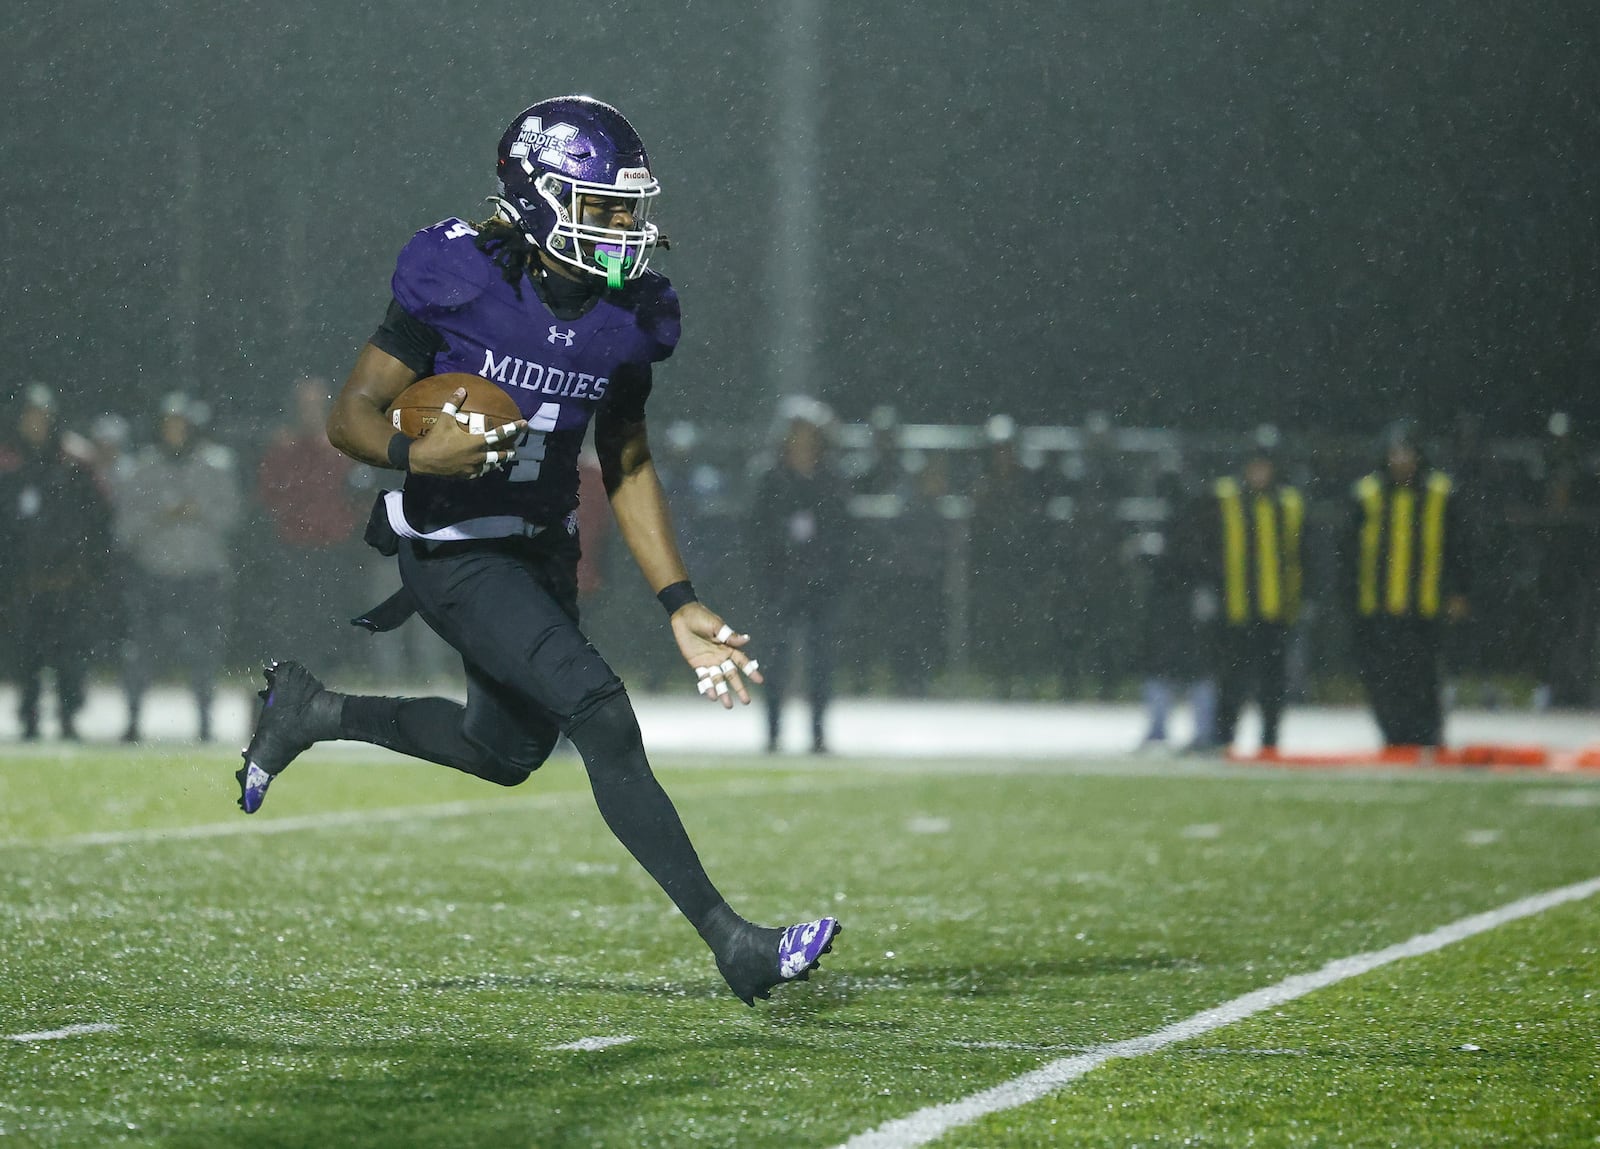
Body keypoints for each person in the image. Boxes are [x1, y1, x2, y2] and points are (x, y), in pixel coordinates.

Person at [233, 95, 838, 1005]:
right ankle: (735, 942)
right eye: (603, 206)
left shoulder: (628, 312)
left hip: (541, 550)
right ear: (538, 197)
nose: (625, 227)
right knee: (600, 711)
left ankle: (312, 711)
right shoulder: (459, 275)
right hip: (452, 547)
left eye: (629, 207)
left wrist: (681, 601)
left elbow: (625, 455)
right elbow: (349, 412)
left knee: (506, 749)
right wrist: (413, 450)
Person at [119, 392, 243, 742]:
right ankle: (132, 719)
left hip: (201, 573)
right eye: (169, 425)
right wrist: (161, 515)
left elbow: (233, 516)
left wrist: (199, 510)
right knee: (141, 650)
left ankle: (204, 721)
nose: (175, 431)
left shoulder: (216, 466)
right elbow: (124, 525)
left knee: (204, 652)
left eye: (181, 425)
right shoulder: (143, 468)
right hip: (154, 572)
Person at [1343, 420, 1470, 748]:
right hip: (1378, 607)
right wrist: (1349, 601)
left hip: (1425, 606)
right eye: (1395, 453)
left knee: (1424, 676)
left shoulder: (1441, 492)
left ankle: (1427, 734)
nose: (1401, 461)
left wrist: (1459, 591)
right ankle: (1394, 736)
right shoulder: (1367, 494)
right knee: (1382, 678)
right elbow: (1348, 554)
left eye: (1406, 453)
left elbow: (1460, 547)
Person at [0, 384, 113, 740]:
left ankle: (68, 713)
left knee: (70, 653)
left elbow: (96, 516)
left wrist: (87, 563)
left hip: (68, 577)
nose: (36, 424)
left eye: (42, 417)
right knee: (27, 653)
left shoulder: (75, 461)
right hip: (25, 578)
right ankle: (29, 715)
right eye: (30, 417)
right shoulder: (9, 461)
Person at [747, 400, 850, 751]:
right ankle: (773, 733)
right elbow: (756, 533)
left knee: (820, 661)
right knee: (775, 659)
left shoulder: (831, 478)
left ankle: (818, 734)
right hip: (780, 581)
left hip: (820, 582)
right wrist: (769, 573)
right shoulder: (769, 477)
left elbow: (841, 531)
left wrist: (831, 571)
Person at [1197, 432, 1305, 754]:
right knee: (1230, 680)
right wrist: (1208, 591)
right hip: (1234, 609)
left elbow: (1301, 555)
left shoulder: (1289, 503)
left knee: (1273, 683)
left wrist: (1300, 599)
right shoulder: (1224, 498)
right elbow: (1205, 549)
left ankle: (1269, 740)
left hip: (1275, 610)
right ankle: (1223, 737)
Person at [255, 377, 367, 673]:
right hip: (293, 545)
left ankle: (331, 669)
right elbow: (268, 493)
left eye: (315, 404)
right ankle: (297, 668)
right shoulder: (282, 447)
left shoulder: (340, 445)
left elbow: (358, 492)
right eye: (304, 405)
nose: (310, 411)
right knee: (293, 613)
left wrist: (346, 524)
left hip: (333, 545)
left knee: (331, 611)